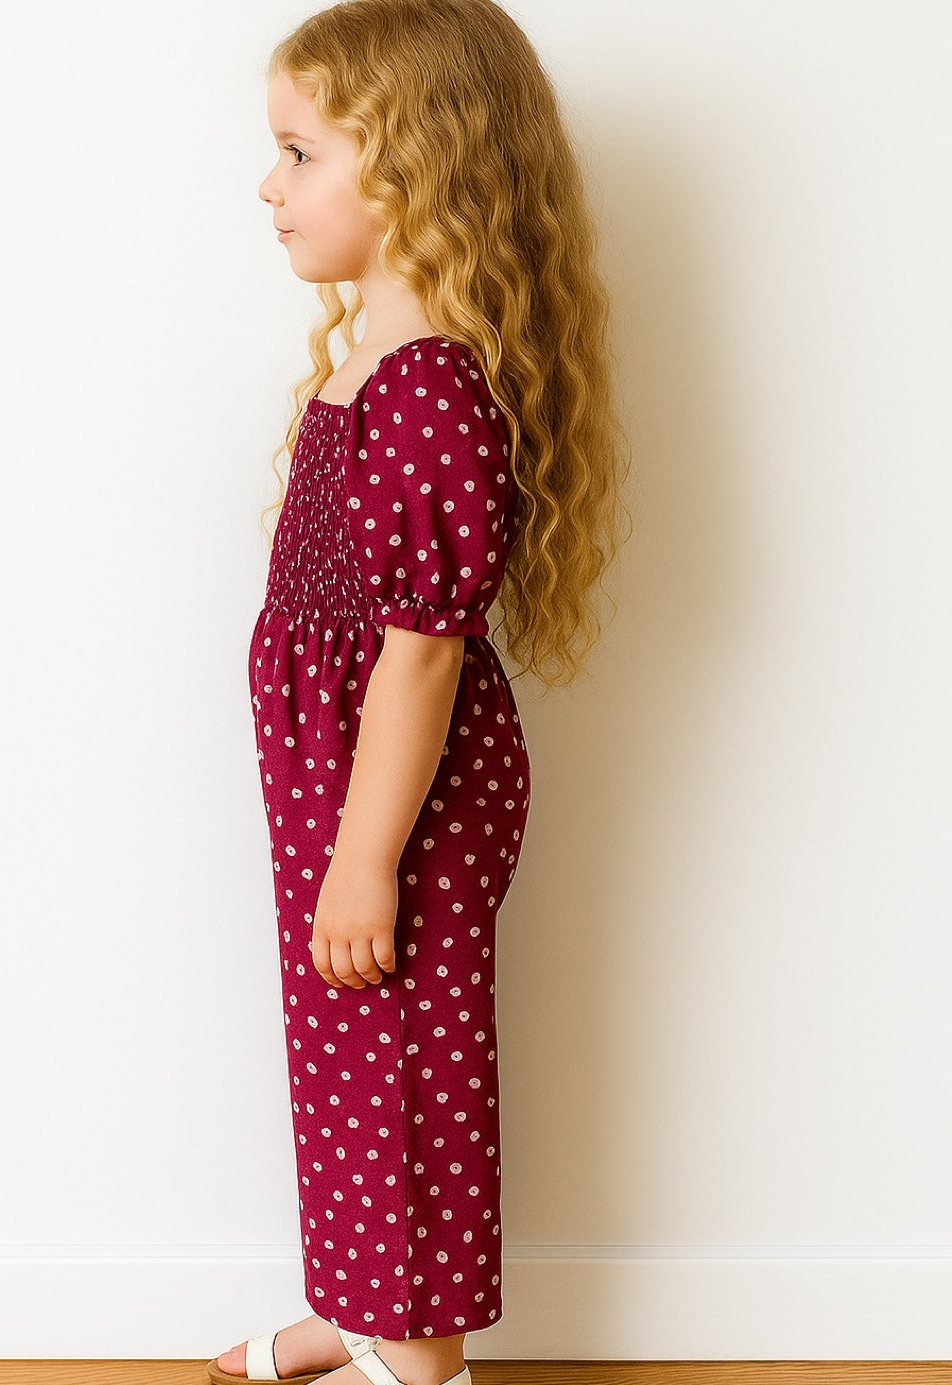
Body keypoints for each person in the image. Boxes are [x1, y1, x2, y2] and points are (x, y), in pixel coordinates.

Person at [210, 2, 629, 1383]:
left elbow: (424, 648)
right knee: (346, 1050)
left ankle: (424, 1353)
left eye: (298, 152)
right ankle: (361, 1297)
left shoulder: (431, 387)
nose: (269, 185)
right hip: (339, 777)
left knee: (402, 1073)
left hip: (398, 791)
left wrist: (369, 858)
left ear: (411, 168)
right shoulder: (369, 359)